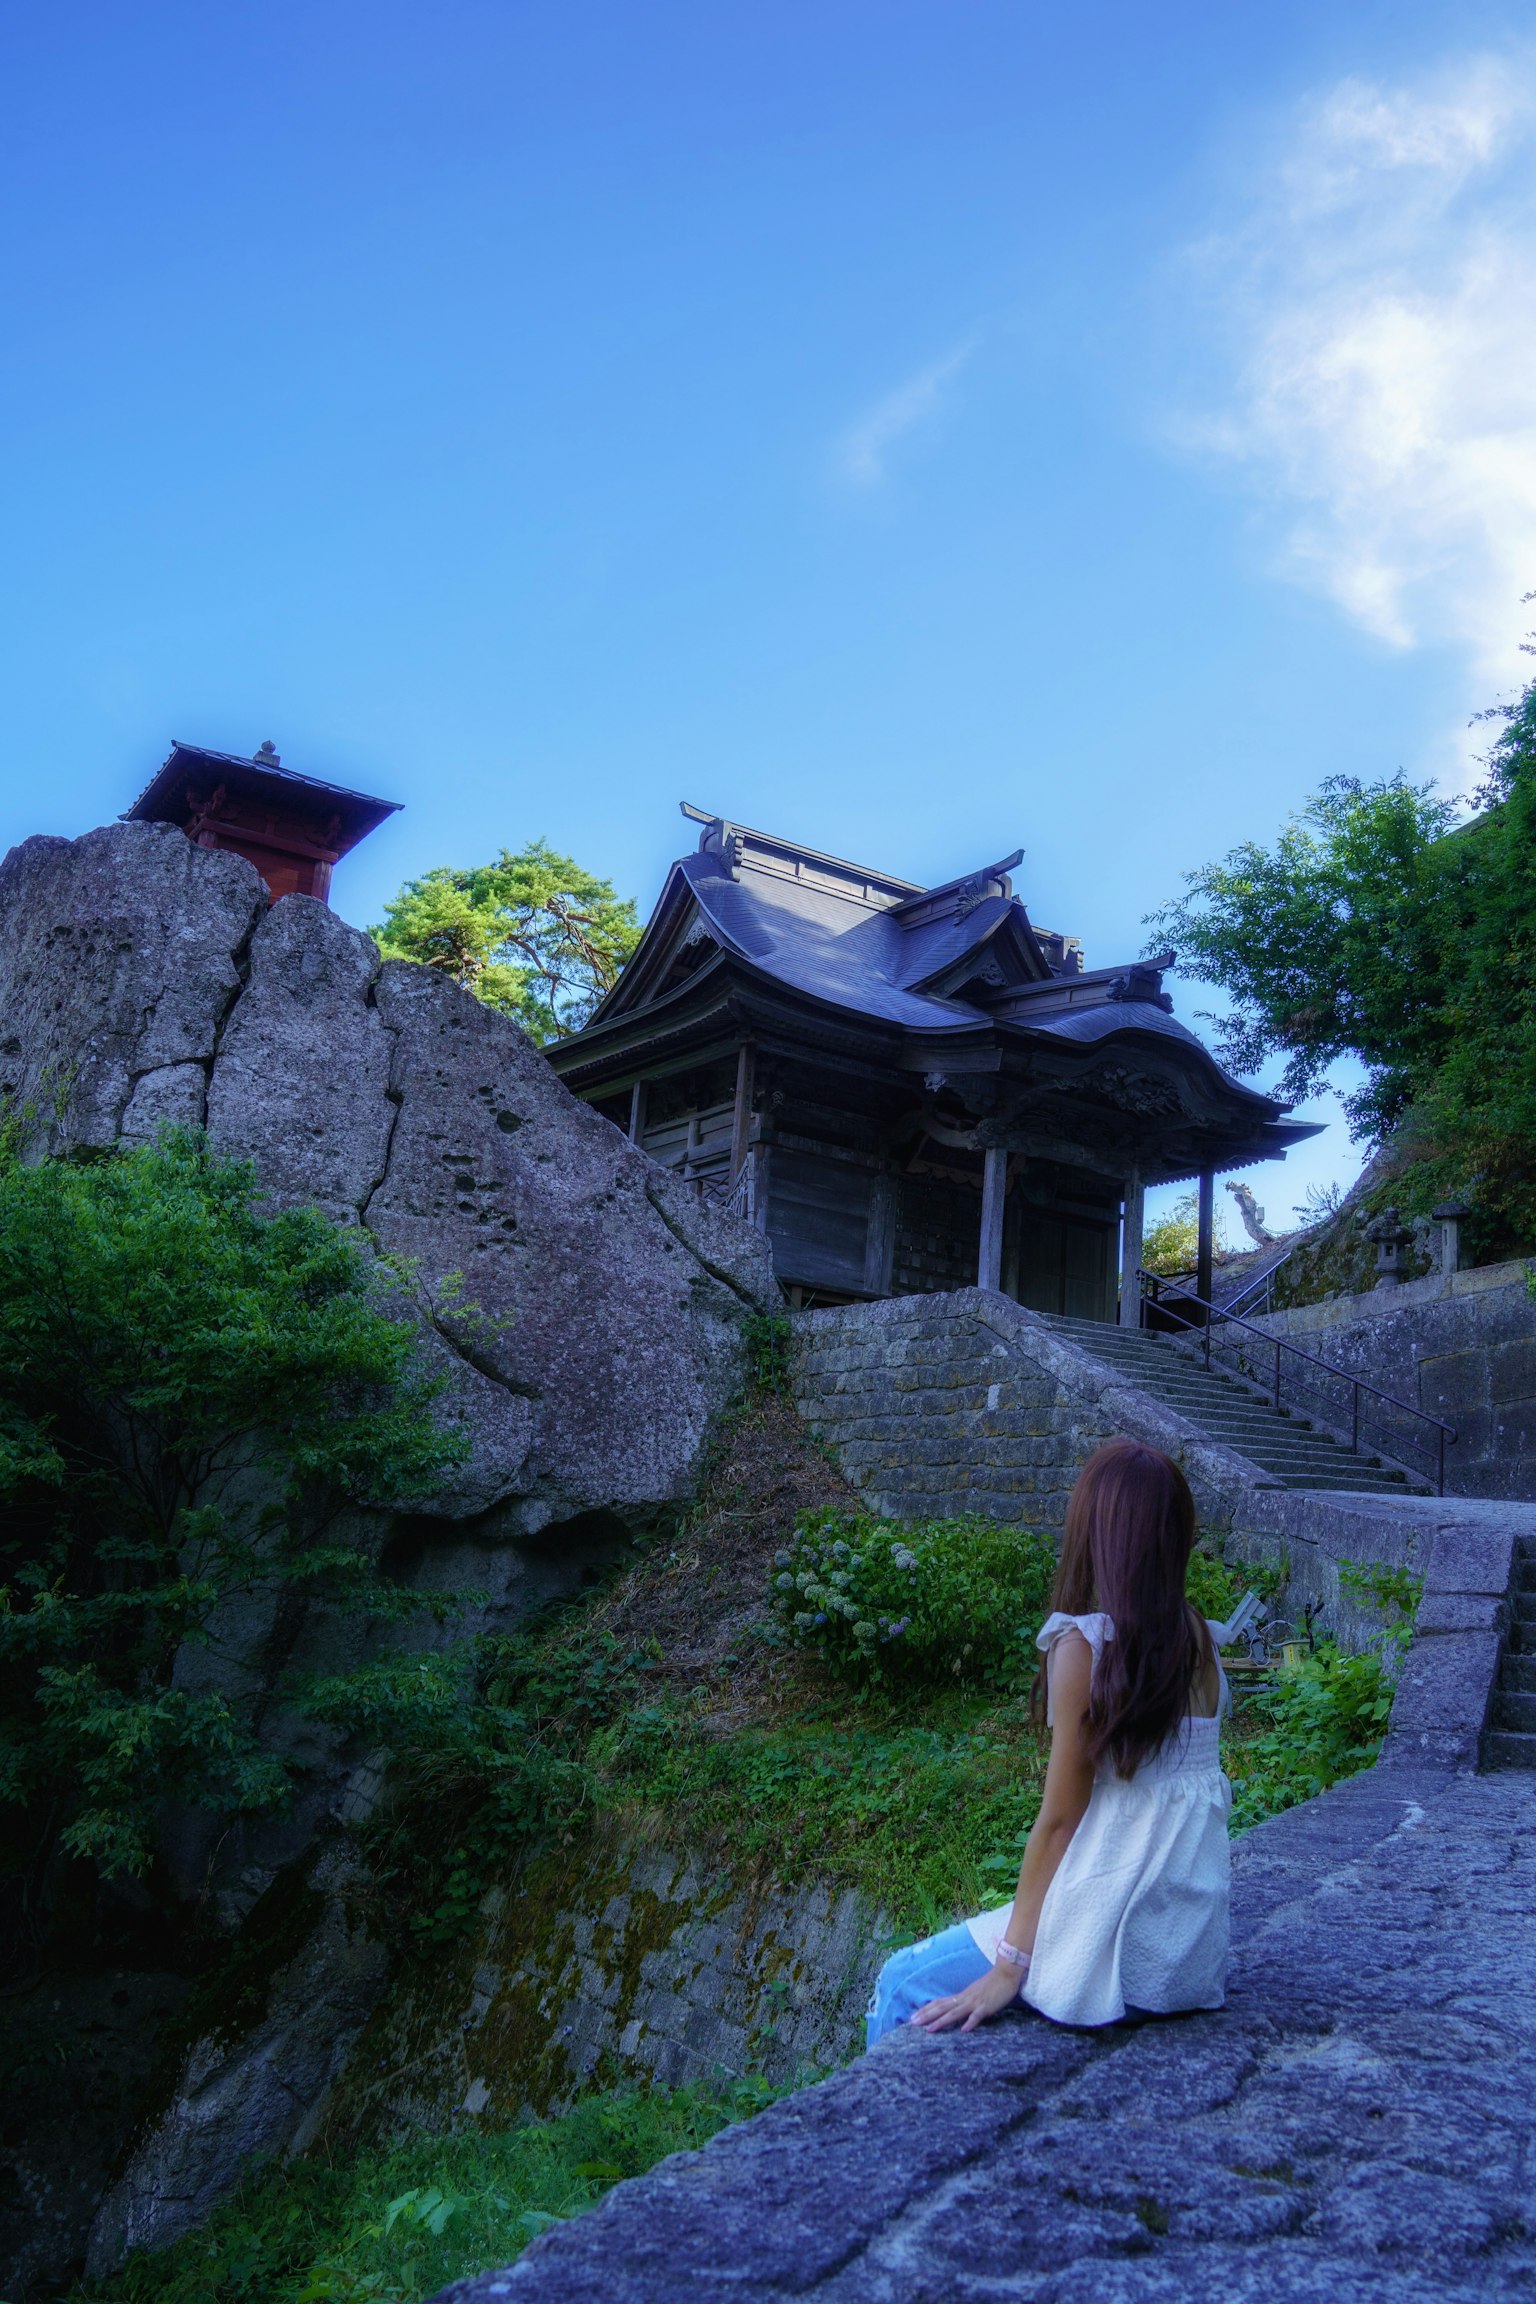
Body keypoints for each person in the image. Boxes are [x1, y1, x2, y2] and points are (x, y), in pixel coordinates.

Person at [866, 1437, 1233, 2041]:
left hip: (1108, 1942)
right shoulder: (1199, 1640)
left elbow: (1060, 1822)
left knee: (900, 1981)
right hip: (1179, 1957)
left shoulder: (1084, 1647)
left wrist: (1010, 1965)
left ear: (1096, 1531)